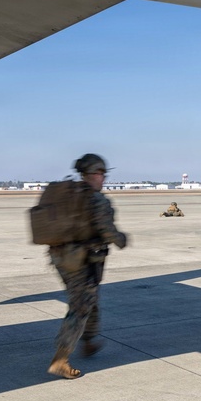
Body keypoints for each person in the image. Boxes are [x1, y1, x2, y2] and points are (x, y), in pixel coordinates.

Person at [47, 153, 128, 378]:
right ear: (91, 174)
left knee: (90, 299)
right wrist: (122, 239)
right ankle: (61, 359)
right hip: (81, 262)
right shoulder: (96, 199)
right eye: (100, 173)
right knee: (81, 307)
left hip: (62, 258)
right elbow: (107, 231)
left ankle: (89, 339)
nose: (103, 178)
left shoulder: (70, 195)